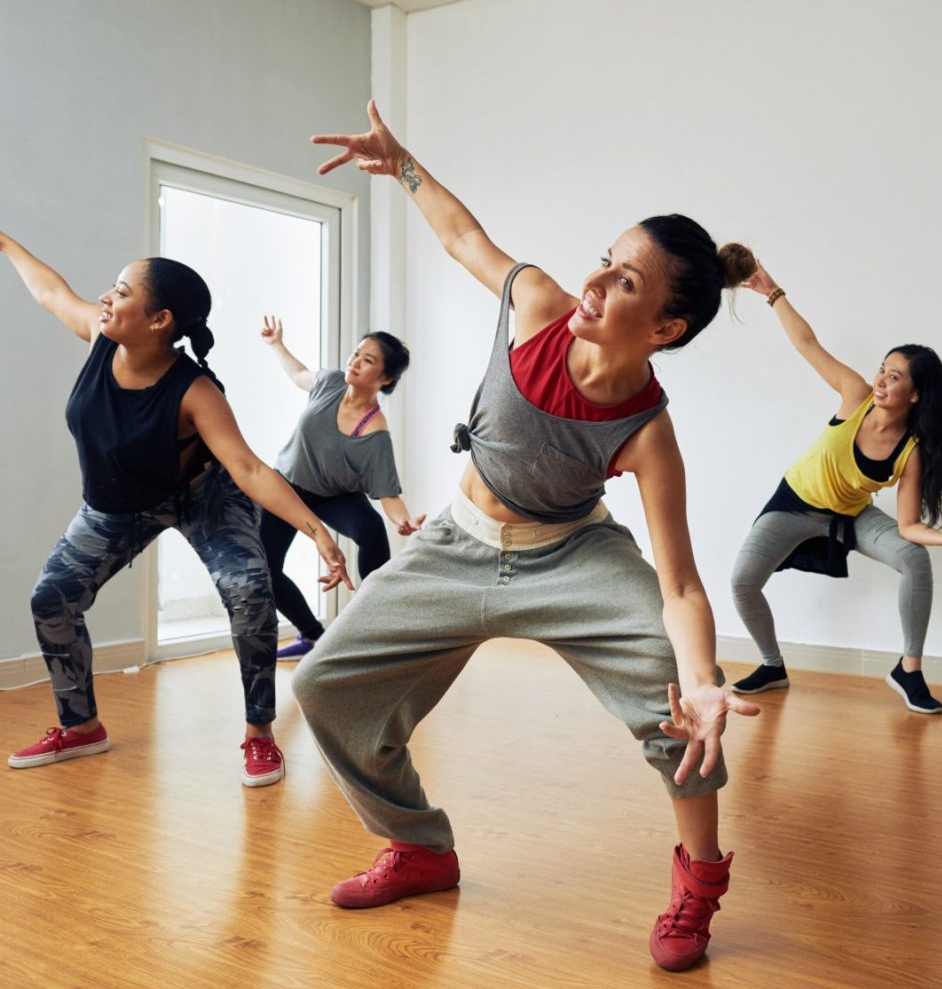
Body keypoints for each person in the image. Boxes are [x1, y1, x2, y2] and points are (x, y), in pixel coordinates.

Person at [290, 101, 760, 973]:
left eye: (625, 282)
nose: (596, 282)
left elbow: (682, 585)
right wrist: (402, 166)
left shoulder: (647, 430)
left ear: (665, 329)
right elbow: (465, 238)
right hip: (459, 541)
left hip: (572, 556)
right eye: (606, 261)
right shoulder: (539, 305)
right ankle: (420, 848)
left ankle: (699, 880)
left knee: (683, 719)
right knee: (324, 685)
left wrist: (702, 678)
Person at [1, 232, 352, 786]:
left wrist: (317, 532)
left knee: (249, 591)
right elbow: (50, 292)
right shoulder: (100, 338)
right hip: (117, 506)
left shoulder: (195, 391)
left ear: (160, 320)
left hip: (203, 499)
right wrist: (4, 243)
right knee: (51, 600)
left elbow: (250, 469)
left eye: (120, 292)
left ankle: (259, 734)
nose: (105, 299)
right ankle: (81, 726)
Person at [730, 262, 942, 714]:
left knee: (914, 559)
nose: (880, 379)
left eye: (894, 376)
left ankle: (908, 670)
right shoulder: (855, 395)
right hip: (793, 504)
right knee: (742, 581)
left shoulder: (911, 450)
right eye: (883, 368)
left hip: (849, 516)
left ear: (915, 394)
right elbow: (806, 343)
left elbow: (910, 526)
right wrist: (772, 292)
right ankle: (772, 665)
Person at [258, 316, 424, 659]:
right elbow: (299, 373)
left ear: (385, 378)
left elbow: (387, 493)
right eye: (356, 353)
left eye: (368, 360)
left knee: (371, 528)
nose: (355, 362)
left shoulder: (375, 431)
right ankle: (313, 636)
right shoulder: (331, 382)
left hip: (334, 496)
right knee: (264, 567)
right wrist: (277, 344)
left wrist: (402, 521)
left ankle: (378, 627)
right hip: (286, 486)